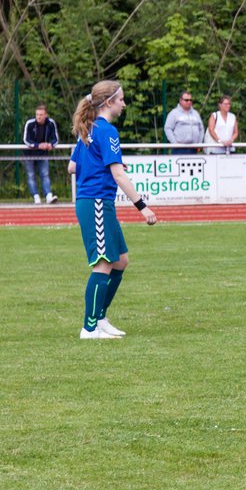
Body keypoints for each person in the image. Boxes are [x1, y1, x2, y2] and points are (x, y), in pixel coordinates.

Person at [68, 80, 158, 339]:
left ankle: (100, 318)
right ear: (108, 102)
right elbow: (117, 175)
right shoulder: (106, 131)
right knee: (103, 264)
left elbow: (72, 167)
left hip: (97, 201)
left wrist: (102, 164)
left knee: (120, 261)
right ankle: (89, 327)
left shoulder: (89, 129)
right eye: (121, 99)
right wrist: (143, 207)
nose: (124, 104)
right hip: (96, 201)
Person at [22, 103, 60, 204]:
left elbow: (55, 139)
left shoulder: (51, 123)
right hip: (29, 154)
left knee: (45, 174)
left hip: (43, 154)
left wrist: (50, 145)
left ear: (46, 115)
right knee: (31, 175)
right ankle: (36, 197)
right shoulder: (30, 123)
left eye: (41, 115)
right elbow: (26, 139)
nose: (38, 117)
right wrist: (37, 145)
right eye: (37, 114)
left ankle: (48, 196)